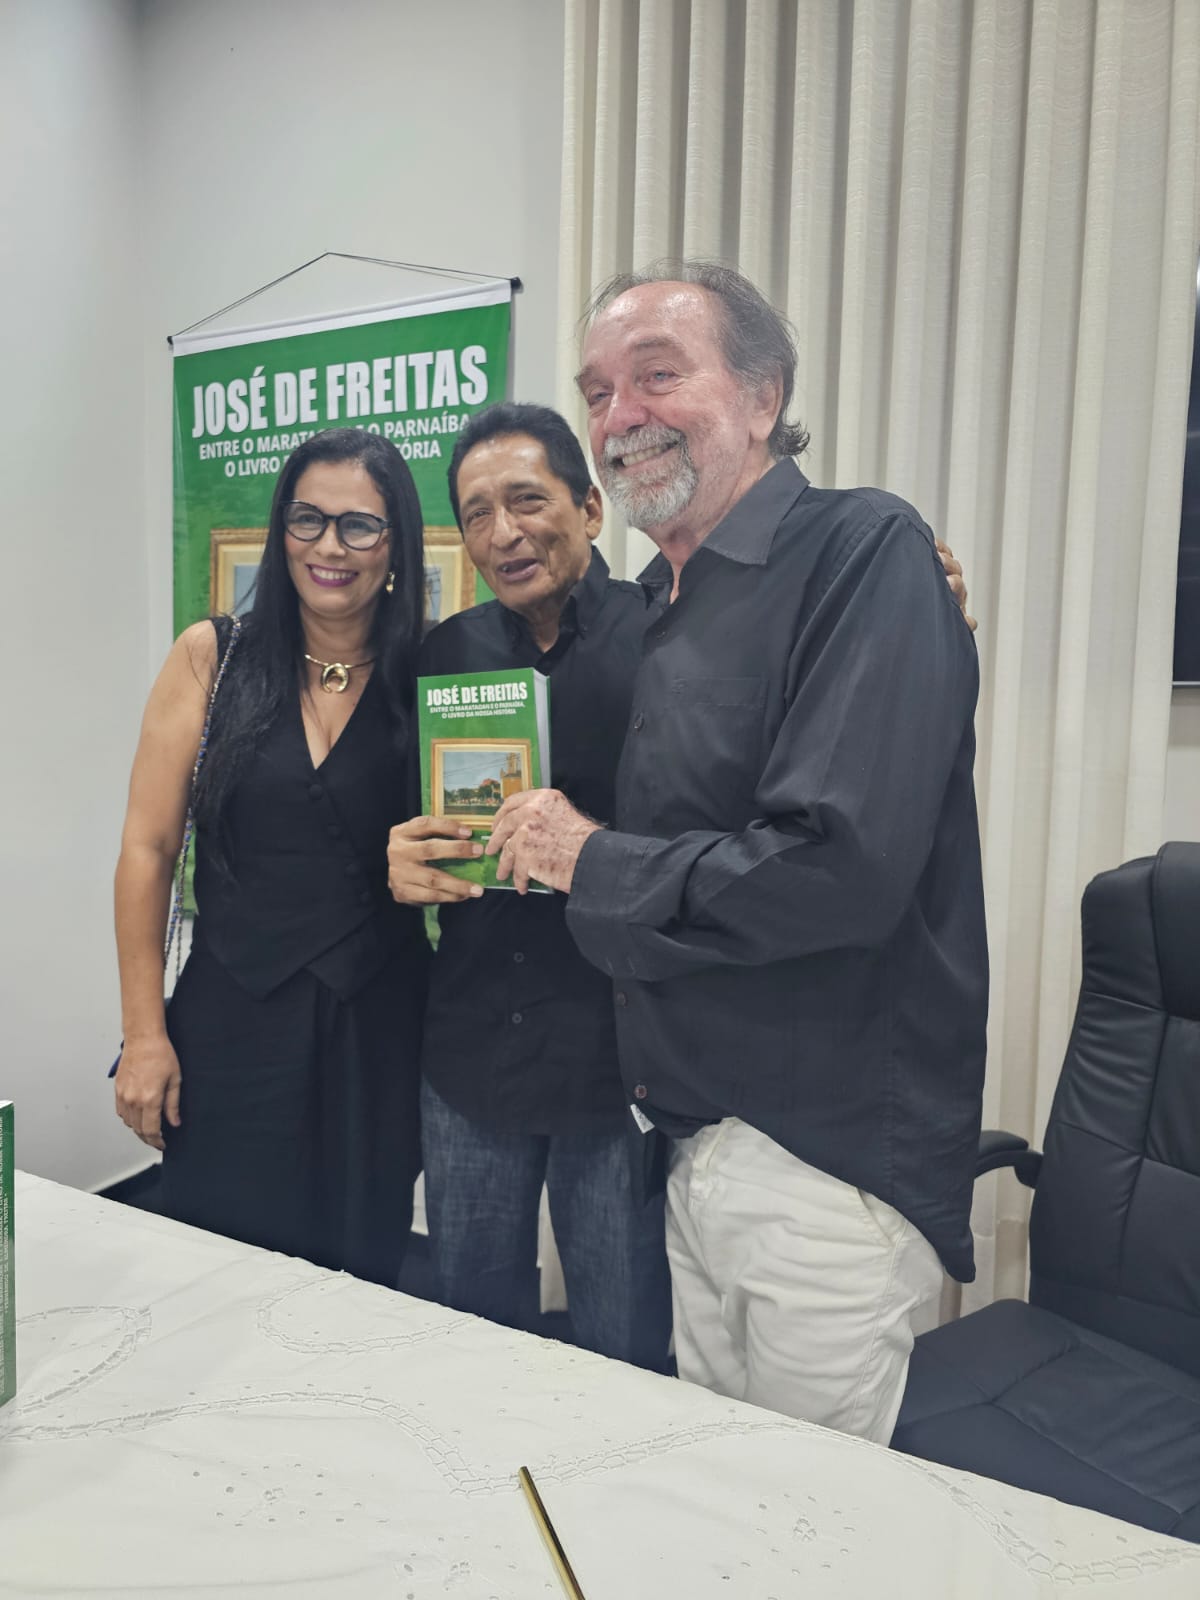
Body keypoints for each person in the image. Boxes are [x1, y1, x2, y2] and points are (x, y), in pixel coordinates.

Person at [486, 262, 989, 1443]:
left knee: (809, 1520)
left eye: (658, 375)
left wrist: (587, 860)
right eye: (597, 391)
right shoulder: (664, 604)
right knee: (720, 1491)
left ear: (763, 397)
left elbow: (835, 870)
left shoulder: (866, 549)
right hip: (691, 1143)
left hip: (820, 1161)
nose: (620, 415)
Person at [386, 402, 673, 1369]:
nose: (502, 532)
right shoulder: (443, 656)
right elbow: (408, 819)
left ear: (590, 507)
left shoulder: (667, 639)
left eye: (526, 501)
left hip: (615, 1060)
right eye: (476, 514)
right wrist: (404, 859)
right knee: (469, 1334)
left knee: (624, 1344)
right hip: (472, 1053)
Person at [113, 428, 429, 1288]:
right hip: (230, 1021)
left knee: (360, 1281)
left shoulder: (430, 673)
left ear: (397, 543)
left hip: (378, 1026)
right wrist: (144, 1036)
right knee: (214, 1277)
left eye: (359, 525)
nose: (330, 546)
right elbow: (147, 849)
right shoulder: (212, 658)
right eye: (307, 519)